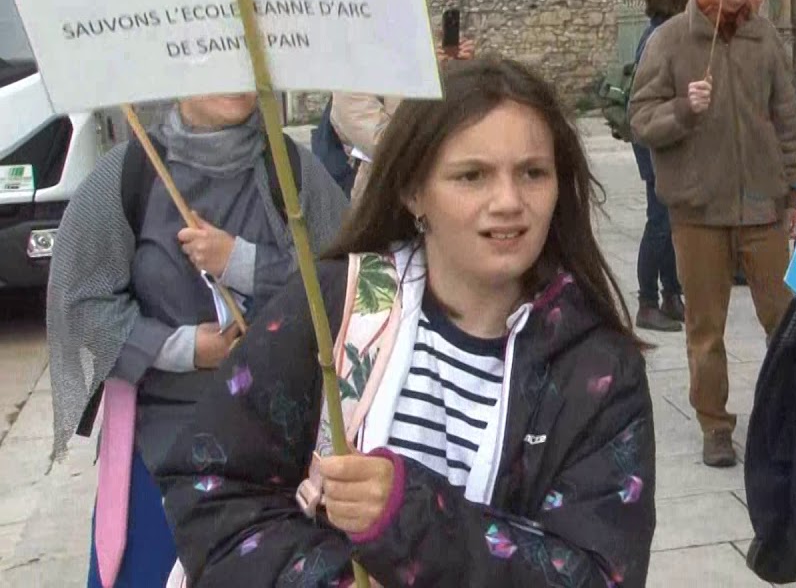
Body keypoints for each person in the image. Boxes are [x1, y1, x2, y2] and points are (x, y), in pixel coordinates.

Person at [156, 59, 657, 586]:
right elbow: (212, 483)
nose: (509, 202)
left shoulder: (598, 371)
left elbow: (601, 573)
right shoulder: (336, 306)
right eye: (472, 175)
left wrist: (407, 515)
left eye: (533, 173)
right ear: (414, 191)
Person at [46, 94, 348, 587]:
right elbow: (80, 307)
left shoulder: (294, 173)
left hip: (278, 448)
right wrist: (185, 349)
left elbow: (355, 278)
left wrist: (242, 262)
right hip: (161, 449)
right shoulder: (127, 175)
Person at [630, 0, 796, 468]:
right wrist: (684, 110)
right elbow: (641, 119)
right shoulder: (670, 39)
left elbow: (788, 122)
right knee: (705, 328)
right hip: (698, 208)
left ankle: (791, 416)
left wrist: (795, 192)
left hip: (763, 207)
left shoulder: (765, 36)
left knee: (785, 320)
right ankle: (714, 423)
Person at [332, 39, 475, 204]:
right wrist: (424, 78)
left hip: (452, 196)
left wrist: (462, 73)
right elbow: (385, 145)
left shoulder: (419, 60)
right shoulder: (349, 78)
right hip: (387, 202)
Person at [630, 0, 689, 333]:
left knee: (669, 219)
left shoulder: (661, 33)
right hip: (653, 139)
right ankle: (647, 301)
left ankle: (672, 294)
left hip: (660, 137)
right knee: (659, 219)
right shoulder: (659, 37)